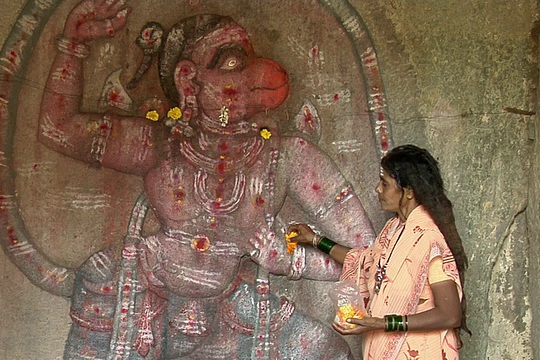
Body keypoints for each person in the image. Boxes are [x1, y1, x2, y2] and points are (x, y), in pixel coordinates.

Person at [37, 0, 377, 358]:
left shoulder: (285, 157)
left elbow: (368, 259)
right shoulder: (159, 145)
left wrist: (289, 261)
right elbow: (57, 128)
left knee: (329, 353)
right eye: (233, 63)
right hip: (139, 303)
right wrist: (72, 46)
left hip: (238, 312)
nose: (260, 72)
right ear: (188, 80)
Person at [288, 144, 471, 360]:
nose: (378, 189)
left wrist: (382, 323)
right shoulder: (393, 230)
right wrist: (315, 240)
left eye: (385, 183)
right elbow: (363, 262)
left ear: (409, 191)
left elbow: (450, 315)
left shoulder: (429, 240)